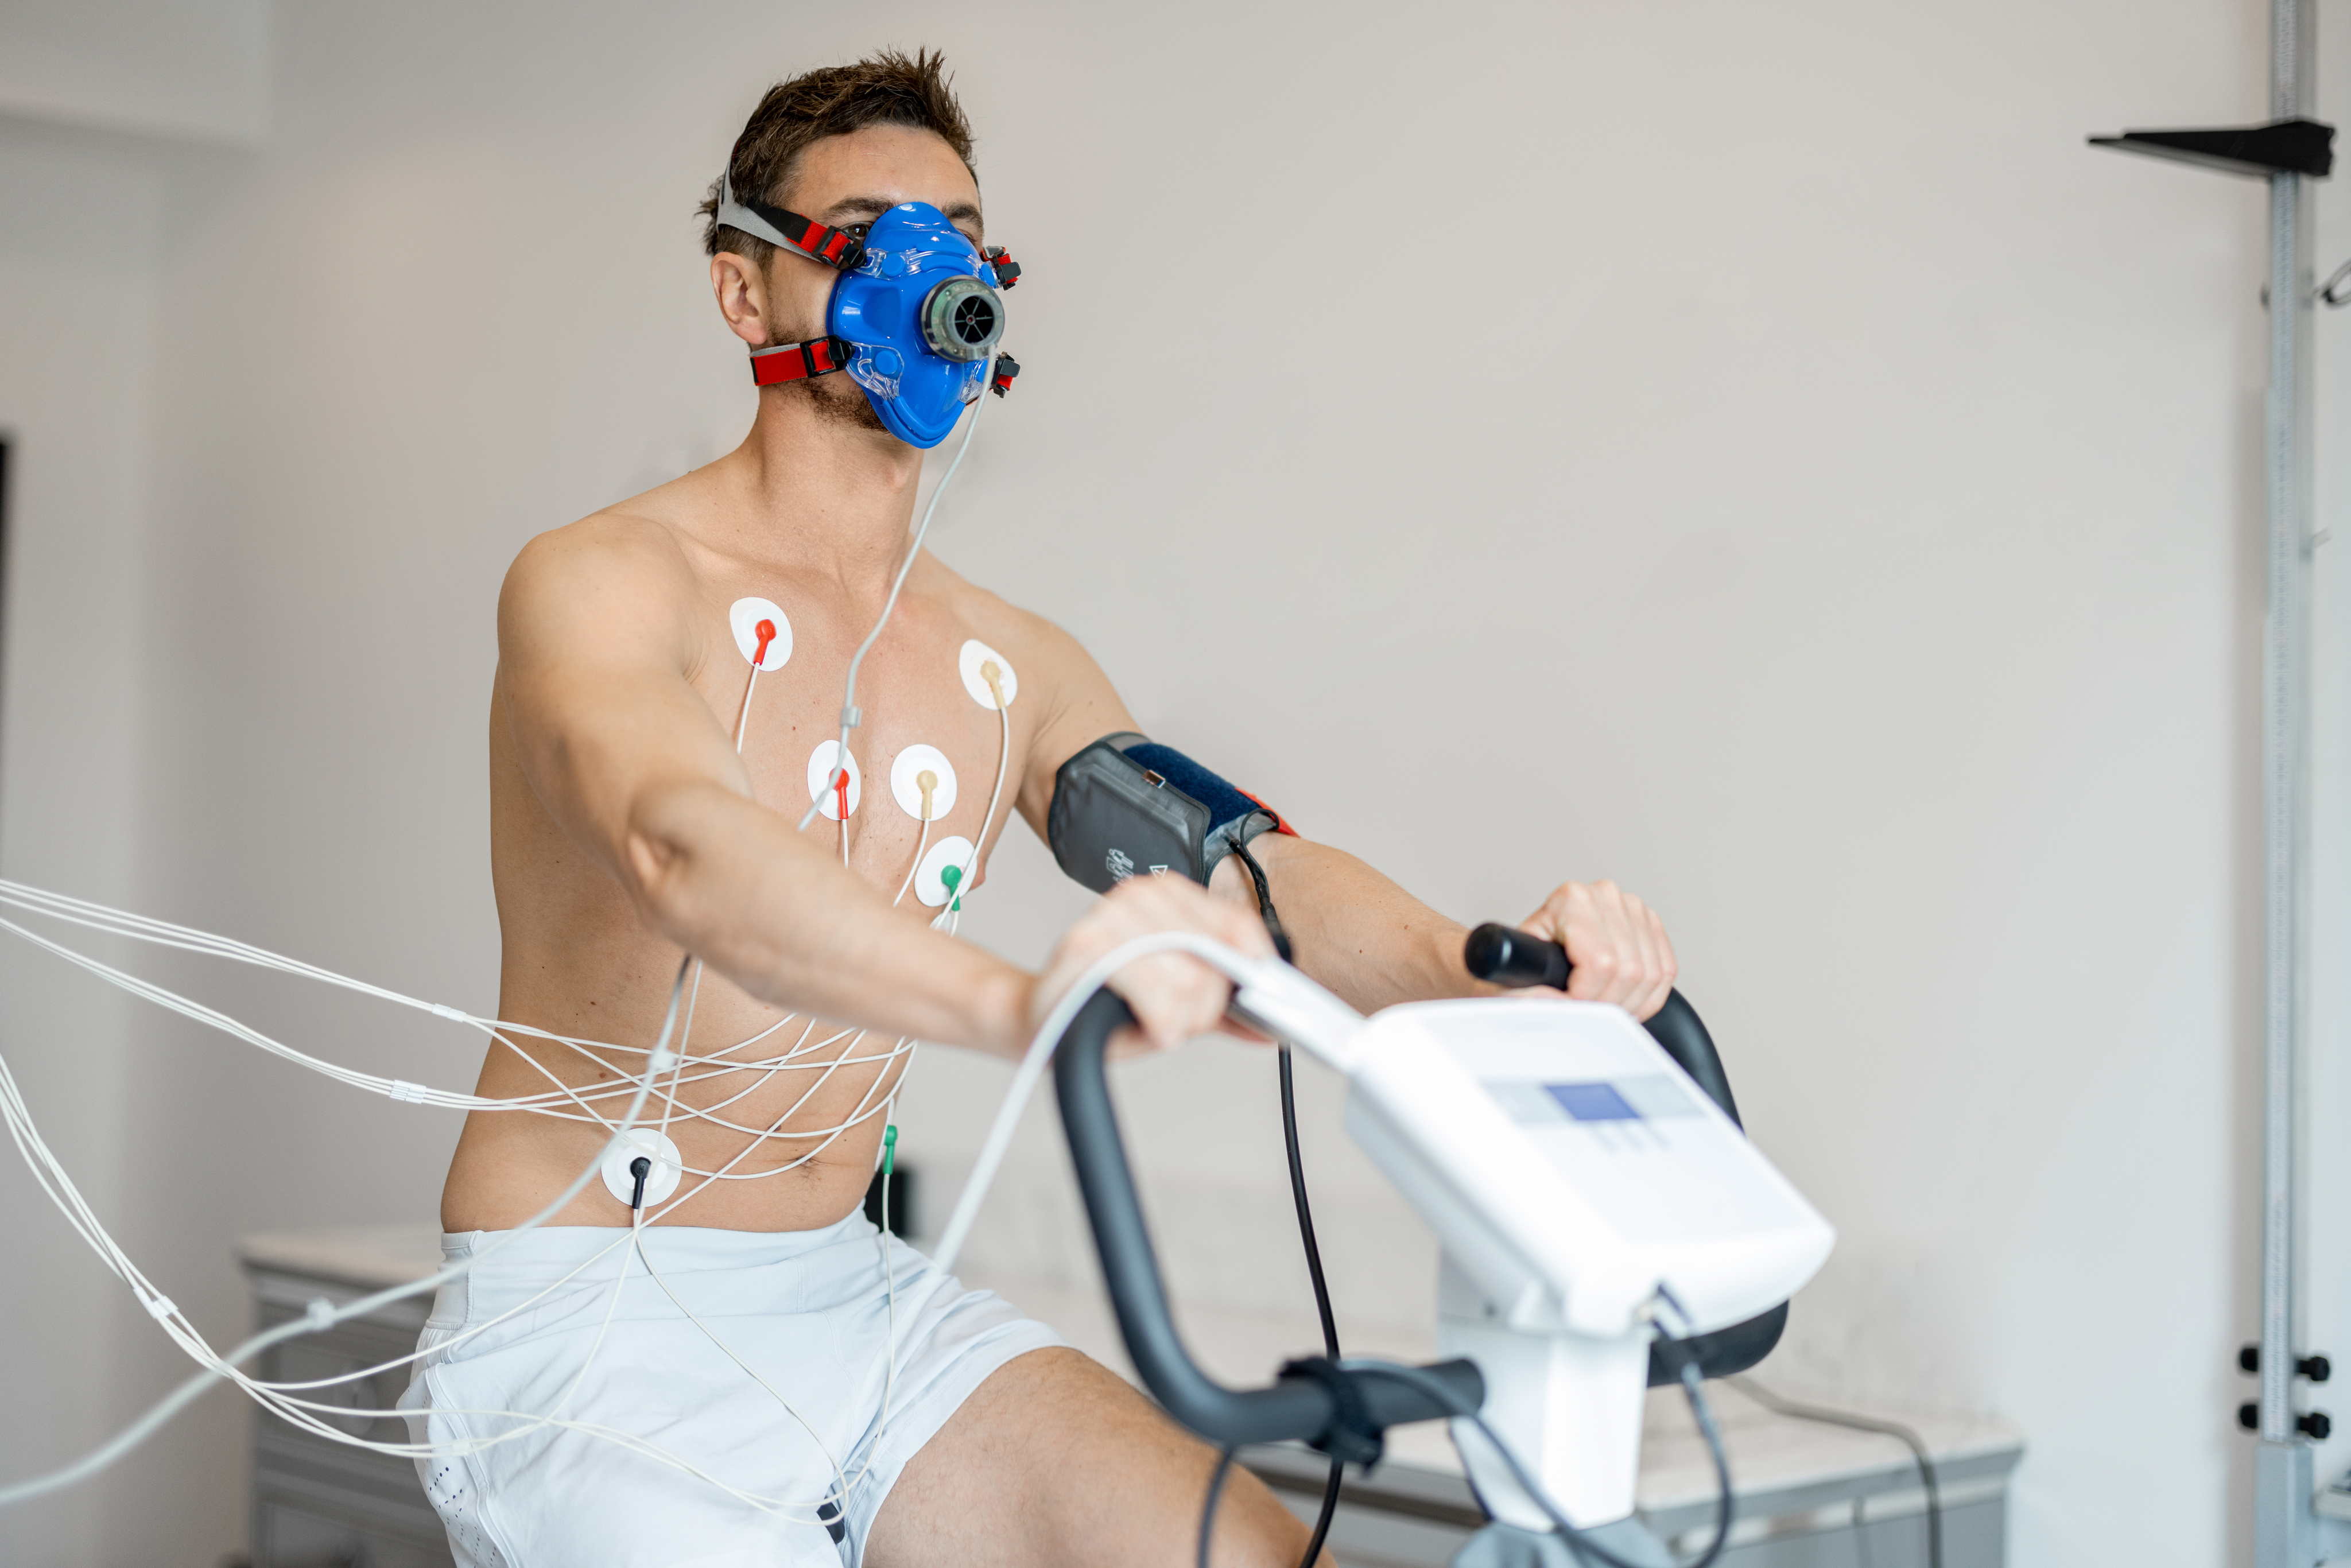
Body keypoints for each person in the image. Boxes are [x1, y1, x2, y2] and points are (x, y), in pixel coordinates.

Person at [399, 49, 1678, 1568]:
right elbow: (683, 844)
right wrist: (1028, 1003)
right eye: (873, 233)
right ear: (749, 294)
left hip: (850, 1301)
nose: (927, 271)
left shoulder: (1004, 660)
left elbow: (1248, 877)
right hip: (588, 1328)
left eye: (957, 231)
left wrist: (1502, 970)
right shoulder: (602, 582)